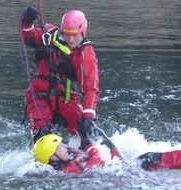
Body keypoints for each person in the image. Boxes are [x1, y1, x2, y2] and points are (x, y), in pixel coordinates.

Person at [20, 6, 99, 144]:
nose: (71, 40)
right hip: (38, 96)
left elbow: (90, 87)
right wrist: (27, 21)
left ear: (83, 32)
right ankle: (50, 158)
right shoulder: (50, 36)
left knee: (89, 134)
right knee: (42, 136)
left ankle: (103, 155)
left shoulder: (86, 55)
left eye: (75, 35)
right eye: (67, 35)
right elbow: (27, 36)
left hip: (66, 98)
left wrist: (88, 116)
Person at [33, 134, 181, 174]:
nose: (65, 146)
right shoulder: (70, 168)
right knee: (148, 158)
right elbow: (98, 162)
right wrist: (90, 143)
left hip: (119, 170)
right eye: (60, 146)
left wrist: (109, 145)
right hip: (125, 176)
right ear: (52, 156)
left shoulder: (65, 162)